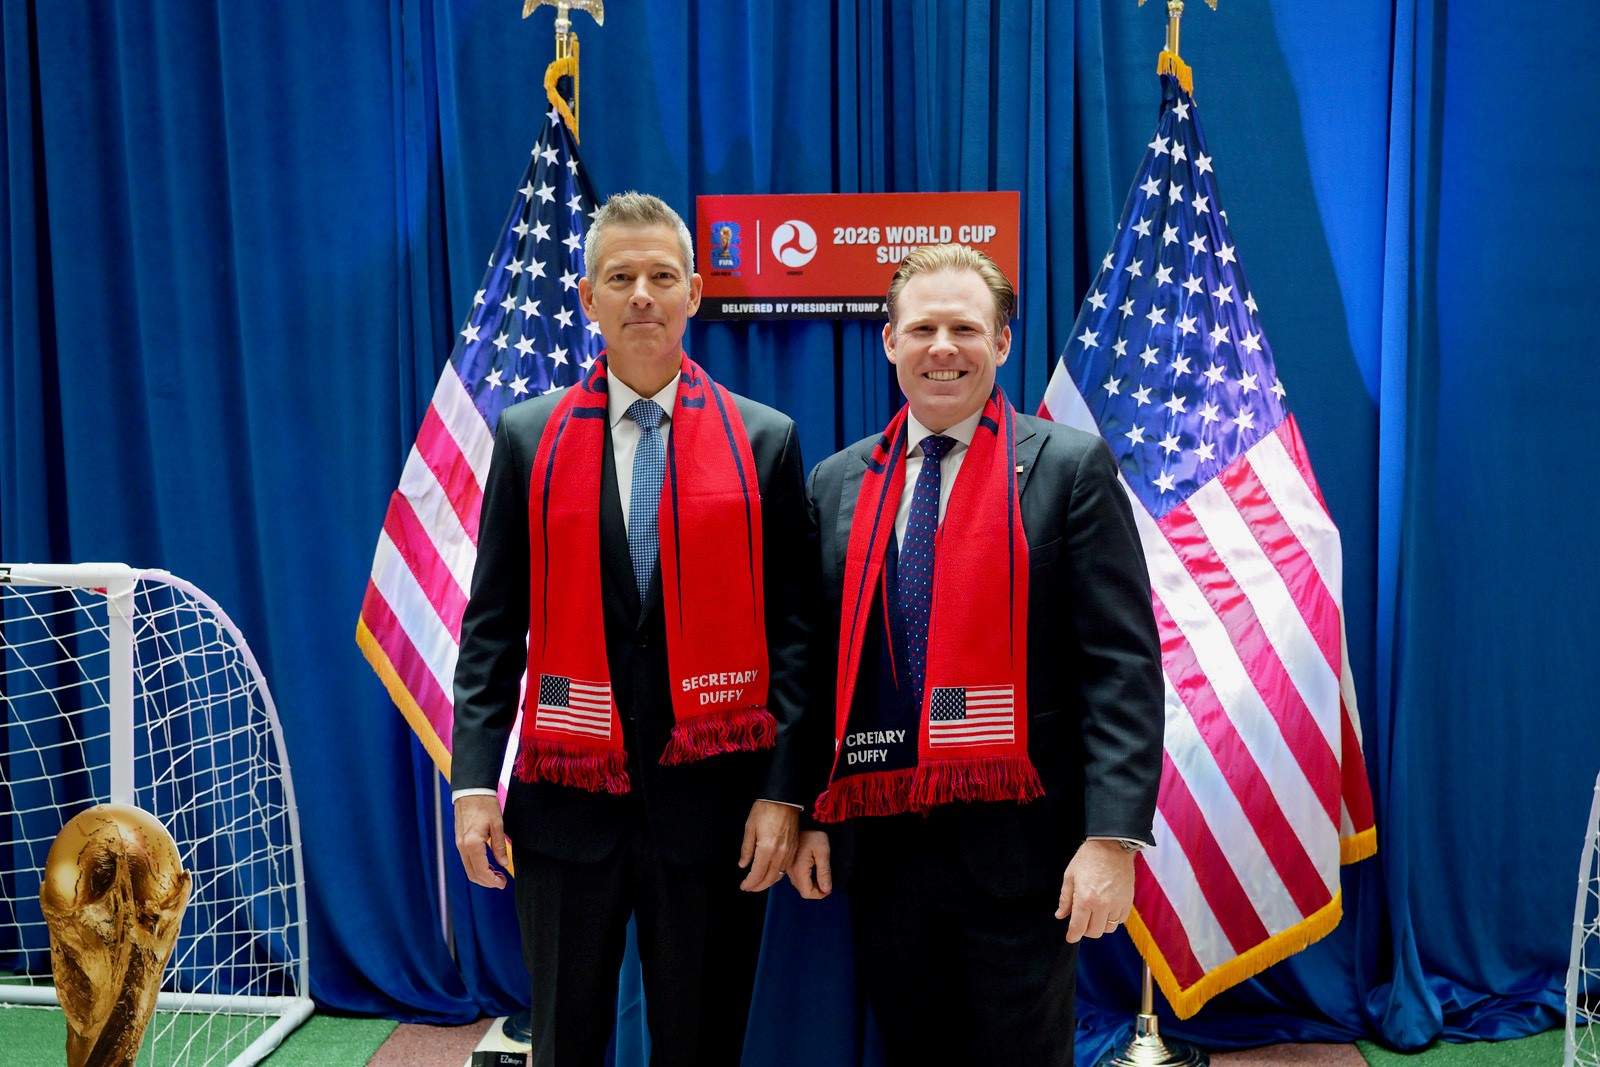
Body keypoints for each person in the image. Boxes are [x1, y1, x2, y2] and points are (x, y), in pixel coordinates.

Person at [452, 192, 817, 1067]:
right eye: (621, 277)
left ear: (695, 291)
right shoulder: (525, 438)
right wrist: (472, 785)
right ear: (588, 298)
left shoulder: (764, 440)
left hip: (714, 810)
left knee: (700, 1045)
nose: (642, 294)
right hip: (565, 812)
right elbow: (493, 627)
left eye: (662, 276)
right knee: (565, 1046)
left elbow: (797, 636)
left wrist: (782, 793)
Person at [787, 244, 1164, 1066]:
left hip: (1026, 856)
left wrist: (1113, 840)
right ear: (889, 342)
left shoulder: (1067, 469)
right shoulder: (838, 481)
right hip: (885, 852)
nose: (942, 347)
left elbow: (1122, 668)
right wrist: (813, 811)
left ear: (1001, 343)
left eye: (965, 327)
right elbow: (818, 671)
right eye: (922, 327)